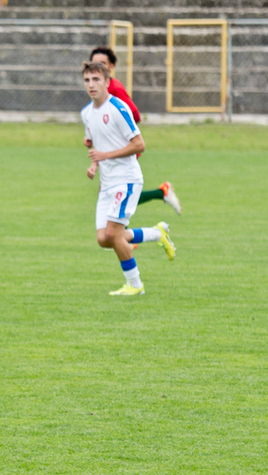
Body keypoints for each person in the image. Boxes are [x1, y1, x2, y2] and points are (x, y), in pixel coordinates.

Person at [81, 61, 176, 296]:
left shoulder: (117, 108)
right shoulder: (86, 113)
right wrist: (94, 165)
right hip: (106, 183)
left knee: (113, 234)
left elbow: (138, 144)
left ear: (107, 82)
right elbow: (96, 145)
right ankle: (157, 233)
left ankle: (135, 285)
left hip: (127, 179)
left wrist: (105, 155)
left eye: (96, 80)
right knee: (104, 239)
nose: (91, 85)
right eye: (87, 80)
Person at [87, 46, 182, 216]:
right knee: (111, 195)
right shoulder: (97, 87)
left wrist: (116, 134)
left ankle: (122, 237)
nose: (98, 66)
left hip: (122, 148)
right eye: (94, 63)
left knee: (113, 194)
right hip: (109, 149)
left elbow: (135, 114)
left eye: (102, 63)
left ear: (111, 67)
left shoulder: (114, 88)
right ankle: (122, 235)